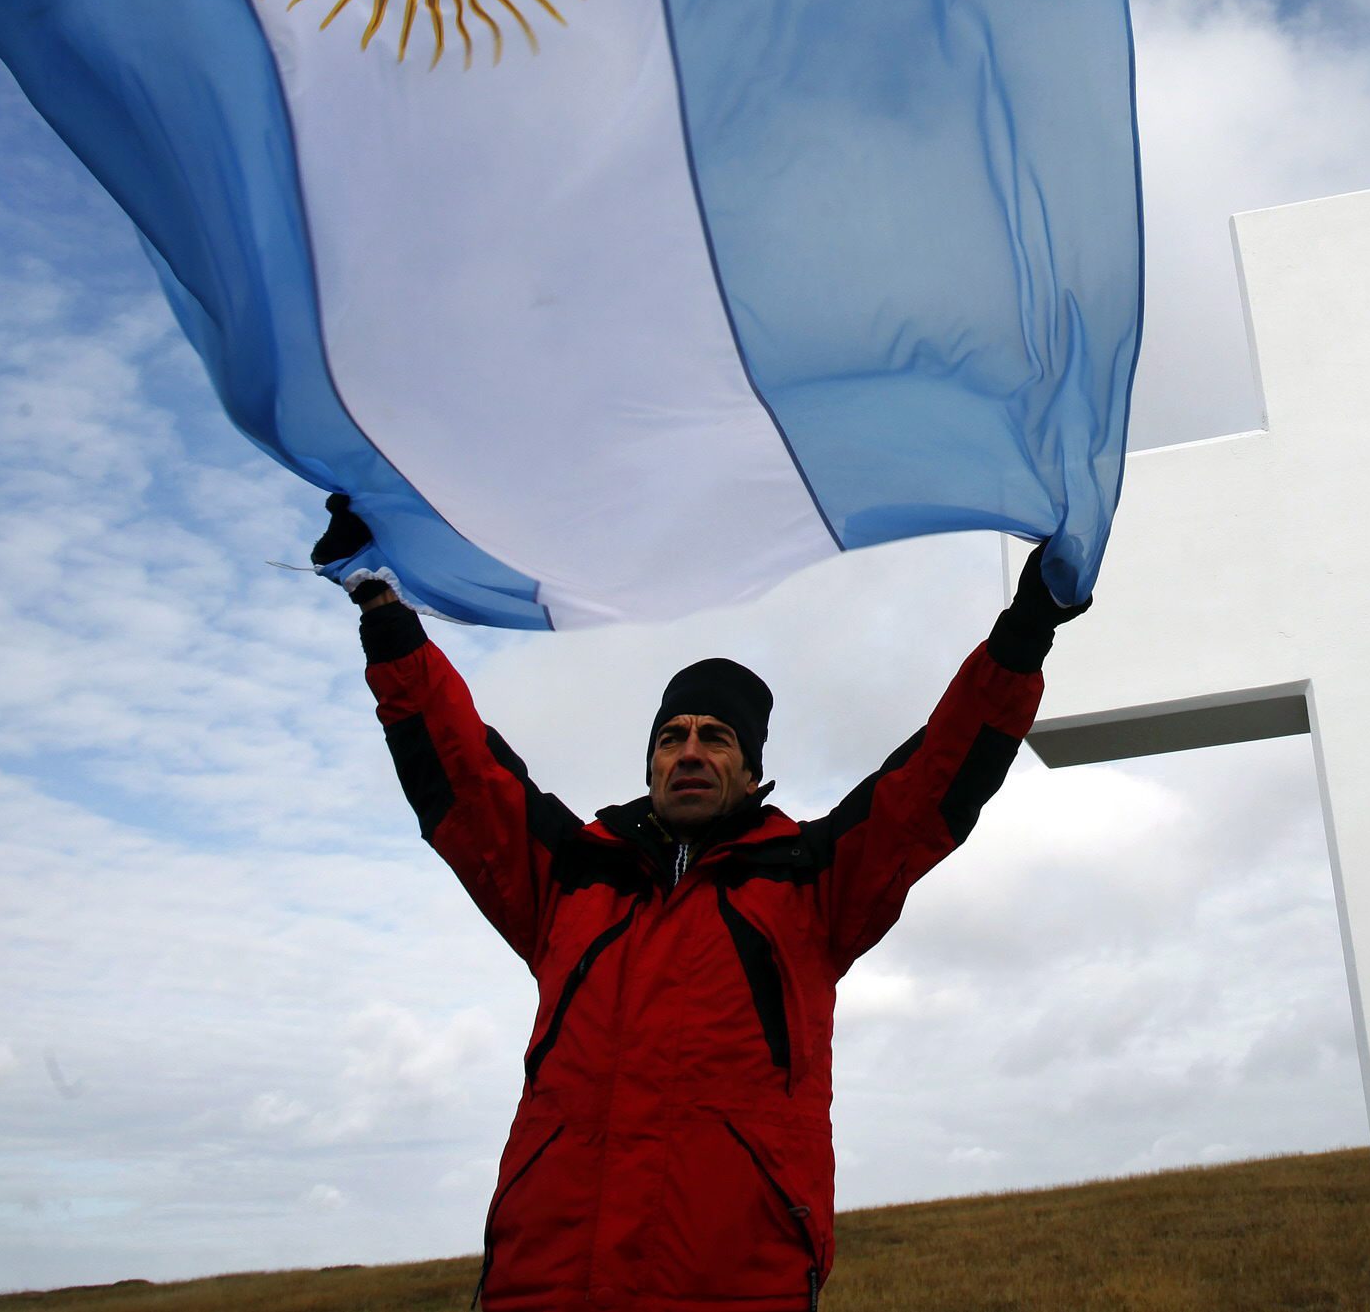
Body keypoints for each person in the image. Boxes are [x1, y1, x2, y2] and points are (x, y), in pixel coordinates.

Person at [309, 495, 1087, 1312]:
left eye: (715, 737)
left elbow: (933, 775)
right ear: (649, 763)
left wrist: (1029, 624)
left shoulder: (812, 883)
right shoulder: (568, 878)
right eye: (671, 736)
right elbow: (463, 773)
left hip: (733, 1289)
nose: (688, 751)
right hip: (541, 1287)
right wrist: (382, 608)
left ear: (750, 771)